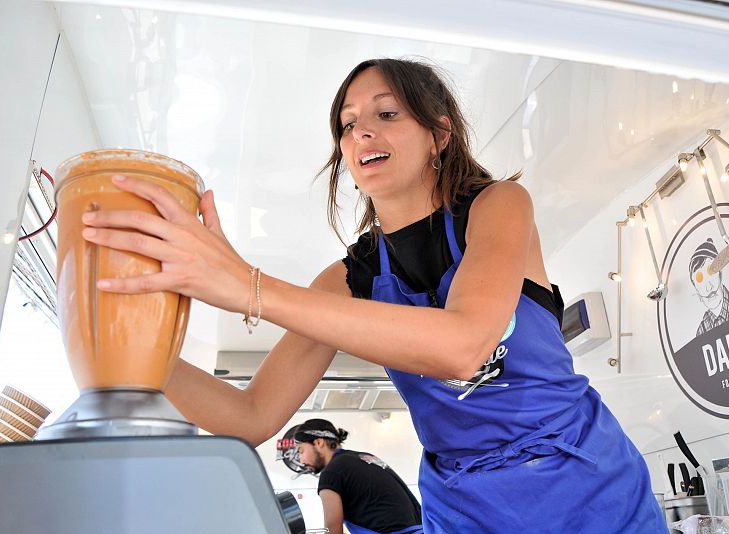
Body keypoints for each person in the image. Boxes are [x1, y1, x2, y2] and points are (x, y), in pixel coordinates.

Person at [80, 58, 667, 532]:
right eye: (347, 123)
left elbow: (465, 344)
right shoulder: (348, 278)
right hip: (466, 508)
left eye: (387, 113)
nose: (361, 131)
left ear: (440, 133)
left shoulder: (498, 207)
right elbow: (249, 417)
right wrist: (123, 340)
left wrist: (249, 288)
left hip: (587, 486)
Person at [293, 419, 423, 534]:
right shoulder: (364, 457)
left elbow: (333, 530)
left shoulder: (331, 472)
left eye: (301, 451)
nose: (301, 460)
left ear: (319, 442)